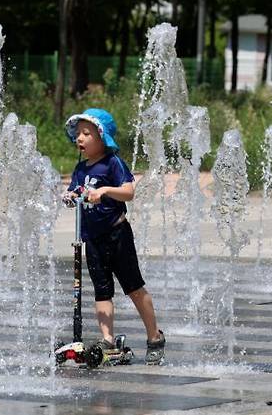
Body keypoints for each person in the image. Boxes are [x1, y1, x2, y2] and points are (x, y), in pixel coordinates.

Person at [62, 108, 166, 365]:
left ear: (102, 136)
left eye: (87, 133)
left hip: (117, 234)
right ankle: (107, 340)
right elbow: (76, 191)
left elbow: (129, 192)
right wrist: (71, 196)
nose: (80, 139)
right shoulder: (80, 168)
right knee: (102, 290)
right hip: (92, 238)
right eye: (78, 134)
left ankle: (154, 336)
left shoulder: (113, 163)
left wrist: (106, 190)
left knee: (133, 287)